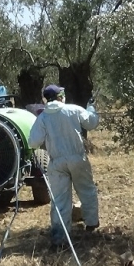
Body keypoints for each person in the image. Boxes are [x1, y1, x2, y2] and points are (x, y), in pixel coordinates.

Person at [28, 84, 100, 248]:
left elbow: (33, 142)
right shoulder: (74, 110)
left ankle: (60, 237)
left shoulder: (43, 117)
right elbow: (91, 123)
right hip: (77, 158)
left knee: (60, 199)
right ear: (61, 97)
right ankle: (91, 224)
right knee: (87, 190)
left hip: (56, 162)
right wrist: (91, 108)